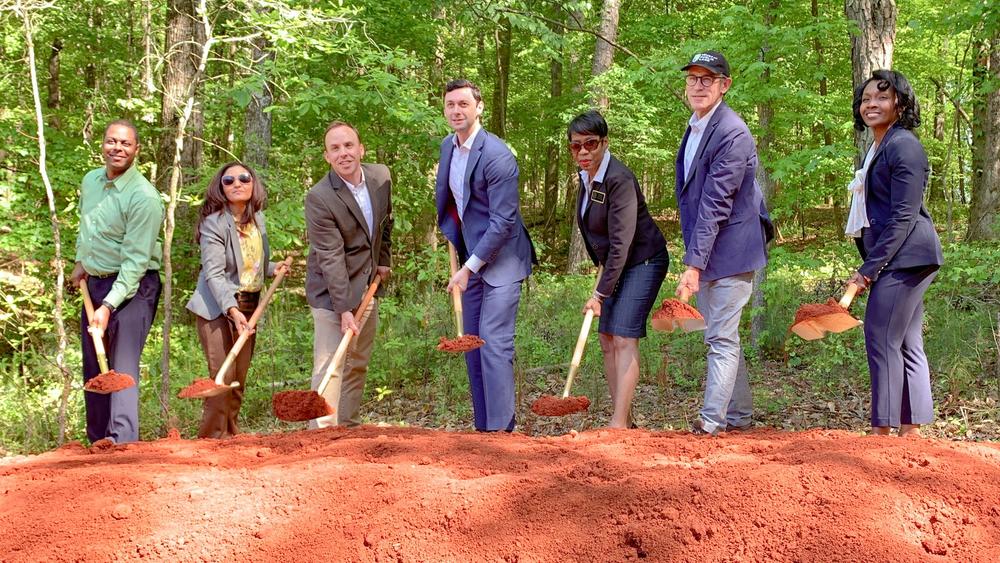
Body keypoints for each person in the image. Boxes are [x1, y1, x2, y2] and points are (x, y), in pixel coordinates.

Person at [674, 51, 773, 436]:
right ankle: (740, 416)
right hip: (709, 248)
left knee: (720, 338)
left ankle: (712, 423)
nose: (698, 85)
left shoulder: (732, 132)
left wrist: (693, 265)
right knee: (722, 335)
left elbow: (716, 202)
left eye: (707, 79)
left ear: (724, 85)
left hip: (732, 250)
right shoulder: (697, 125)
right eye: (693, 79)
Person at [845, 70, 943, 438]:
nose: (872, 104)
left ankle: (883, 431)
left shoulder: (904, 146)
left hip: (907, 256)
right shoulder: (877, 146)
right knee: (905, 340)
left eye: (882, 98)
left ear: (899, 105)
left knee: (881, 335)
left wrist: (867, 271)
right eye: (866, 98)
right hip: (900, 257)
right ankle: (911, 431)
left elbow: (903, 217)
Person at [435, 79, 536, 432]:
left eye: (464, 104)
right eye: (450, 105)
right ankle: (484, 432)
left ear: (479, 108)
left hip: (503, 261)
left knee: (493, 343)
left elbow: (504, 220)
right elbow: (452, 201)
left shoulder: (497, 155)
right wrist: (458, 244)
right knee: (472, 345)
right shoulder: (448, 147)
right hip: (471, 258)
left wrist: (469, 267)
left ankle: (503, 432)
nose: (456, 110)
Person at [568, 110, 669, 429]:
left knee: (624, 338)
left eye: (590, 144)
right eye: (576, 146)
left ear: (604, 143)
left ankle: (617, 425)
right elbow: (598, 235)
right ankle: (623, 419)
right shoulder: (585, 178)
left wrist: (599, 294)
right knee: (608, 339)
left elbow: (623, 242)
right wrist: (602, 277)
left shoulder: (619, 179)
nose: (583, 152)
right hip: (614, 263)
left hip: (643, 260)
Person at [70, 119, 163, 445]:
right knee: (95, 366)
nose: (117, 148)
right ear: (103, 145)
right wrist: (82, 262)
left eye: (125, 143)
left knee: (121, 369)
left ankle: (123, 445)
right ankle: (97, 443)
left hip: (135, 287)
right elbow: (89, 228)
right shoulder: (91, 181)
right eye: (112, 142)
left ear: (136, 150)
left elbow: (136, 261)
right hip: (94, 283)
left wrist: (109, 305)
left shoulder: (144, 198)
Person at [186, 162, 289, 439]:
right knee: (222, 376)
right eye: (228, 180)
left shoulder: (259, 220)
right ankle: (211, 441)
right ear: (220, 188)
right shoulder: (214, 224)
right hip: (217, 308)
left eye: (243, 178)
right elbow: (215, 273)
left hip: (249, 305)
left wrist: (273, 267)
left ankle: (231, 437)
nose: (236, 184)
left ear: (253, 183)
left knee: (238, 378)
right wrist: (231, 310)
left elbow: (250, 264)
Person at [305, 121, 393, 428]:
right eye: (335, 148)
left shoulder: (380, 177)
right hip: (331, 293)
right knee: (331, 364)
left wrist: (383, 259)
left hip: (367, 285)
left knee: (357, 363)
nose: (343, 153)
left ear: (360, 149)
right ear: (327, 157)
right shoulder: (319, 197)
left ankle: (349, 429)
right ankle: (321, 435)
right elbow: (330, 258)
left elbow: (385, 223)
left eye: (348, 145)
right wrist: (343, 309)